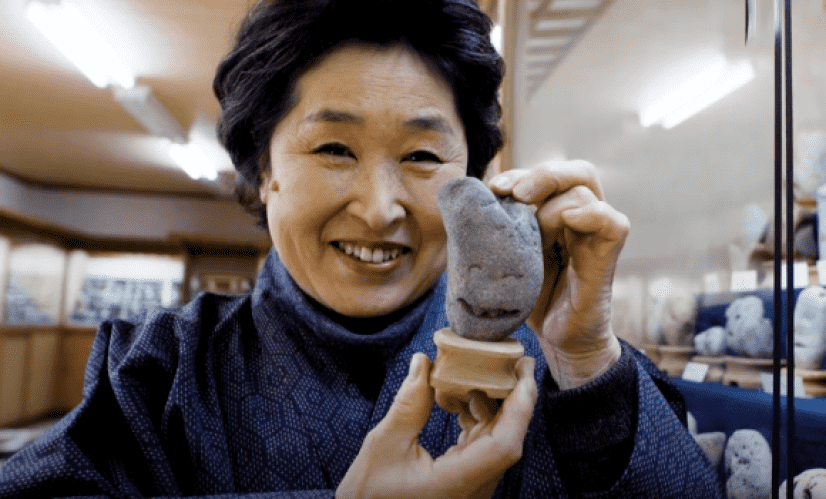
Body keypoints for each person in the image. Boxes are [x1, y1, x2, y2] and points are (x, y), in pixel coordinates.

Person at [0, 0, 723, 497]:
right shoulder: (159, 371)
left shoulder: (565, 371)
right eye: (334, 148)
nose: (380, 209)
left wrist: (585, 356)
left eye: (421, 156)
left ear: (473, 179)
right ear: (265, 168)